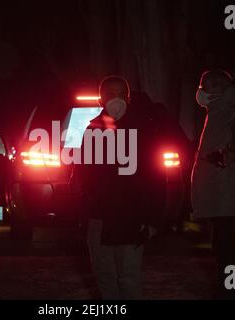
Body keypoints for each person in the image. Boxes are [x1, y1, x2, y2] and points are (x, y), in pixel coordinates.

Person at [75, 75, 166, 299]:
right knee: (105, 276)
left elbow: (155, 176)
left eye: (119, 94)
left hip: (132, 217)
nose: (115, 99)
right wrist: (83, 213)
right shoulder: (93, 130)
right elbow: (82, 176)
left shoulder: (145, 129)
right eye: (109, 94)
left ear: (128, 97)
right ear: (100, 99)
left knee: (129, 276)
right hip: (100, 217)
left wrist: (153, 219)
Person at [191, 70, 235, 299]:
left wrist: (229, 154)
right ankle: (227, 291)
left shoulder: (234, 108)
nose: (200, 93)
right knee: (222, 249)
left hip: (226, 194)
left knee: (226, 250)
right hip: (219, 193)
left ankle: (232, 292)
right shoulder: (218, 110)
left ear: (215, 89)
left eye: (203, 87)